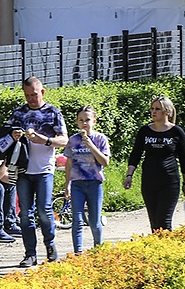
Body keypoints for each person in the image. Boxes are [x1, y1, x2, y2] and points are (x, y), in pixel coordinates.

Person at [8, 77, 68, 267]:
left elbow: (64, 140)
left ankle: (50, 246)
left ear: (42, 92)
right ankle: (30, 254)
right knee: (25, 213)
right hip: (24, 169)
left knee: (44, 210)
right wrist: (13, 135)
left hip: (44, 169)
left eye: (34, 95)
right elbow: (5, 137)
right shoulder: (19, 112)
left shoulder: (52, 112)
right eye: (27, 96)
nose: (31, 99)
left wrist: (46, 140)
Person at [123, 96, 185, 232]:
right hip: (149, 181)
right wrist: (129, 175)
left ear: (168, 112)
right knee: (154, 223)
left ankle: (168, 251)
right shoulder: (144, 131)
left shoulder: (177, 132)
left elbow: (184, 159)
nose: (154, 112)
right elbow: (135, 154)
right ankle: (157, 251)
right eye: (152, 109)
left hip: (170, 182)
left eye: (158, 109)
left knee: (164, 222)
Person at [63, 106, 111, 254]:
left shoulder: (100, 139)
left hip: (94, 183)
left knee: (94, 221)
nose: (84, 123)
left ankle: (98, 249)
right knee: (77, 221)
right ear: (77, 122)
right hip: (77, 184)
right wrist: (67, 185)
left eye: (88, 120)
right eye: (81, 120)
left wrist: (91, 145)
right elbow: (69, 163)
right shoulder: (73, 140)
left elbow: (105, 162)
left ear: (94, 121)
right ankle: (78, 253)